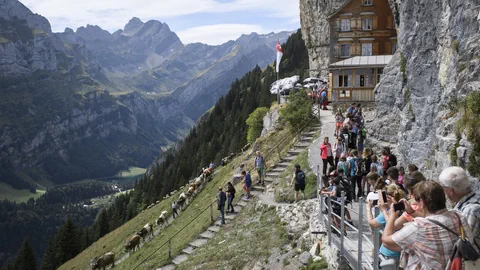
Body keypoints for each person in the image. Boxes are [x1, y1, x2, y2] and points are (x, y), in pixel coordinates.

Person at [381, 181, 474, 270]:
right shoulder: (458, 216)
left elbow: (386, 241)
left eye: (416, 201)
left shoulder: (418, 227)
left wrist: (392, 216)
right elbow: (436, 218)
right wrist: (412, 212)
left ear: (421, 202)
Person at [439, 166, 480, 252]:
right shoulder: (474, 198)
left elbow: (464, 243)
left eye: (442, 187)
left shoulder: (470, 210)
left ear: (450, 190)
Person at [367, 184, 406, 268]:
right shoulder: (405, 211)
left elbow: (372, 223)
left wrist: (369, 208)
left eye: (381, 196)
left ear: (387, 197)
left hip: (389, 253)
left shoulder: (389, 212)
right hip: (396, 252)